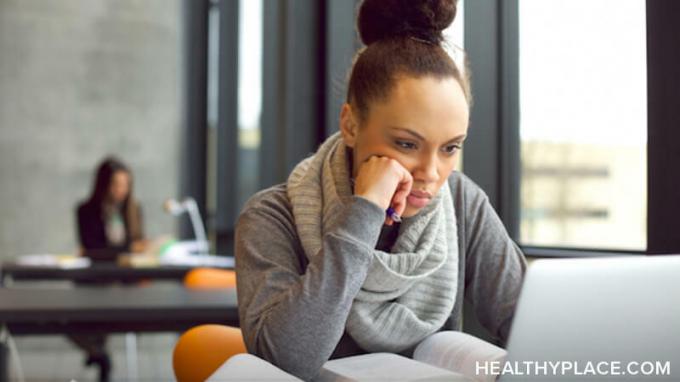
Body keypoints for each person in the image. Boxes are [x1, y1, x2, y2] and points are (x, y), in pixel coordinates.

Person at [234, 0, 527, 380]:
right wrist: (364, 211)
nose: (430, 173)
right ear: (351, 125)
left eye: (450, 147)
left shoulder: (460, 200)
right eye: (407, 144)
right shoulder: (271, 217)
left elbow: (528, 324)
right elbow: (286, 361)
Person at [74, 156, 146, 382]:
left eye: (126, 184)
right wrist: (126, 249)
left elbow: (137, 246)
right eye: (116, 184)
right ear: (103, 184)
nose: (121, 190)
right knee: (65, 314)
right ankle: (98, 352)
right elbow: (92, 249)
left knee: (107, 306)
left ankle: (97, 352)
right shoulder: (86, 211)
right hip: (95, 279)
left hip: (126, 282)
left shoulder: (133, 210)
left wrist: (128, 250)